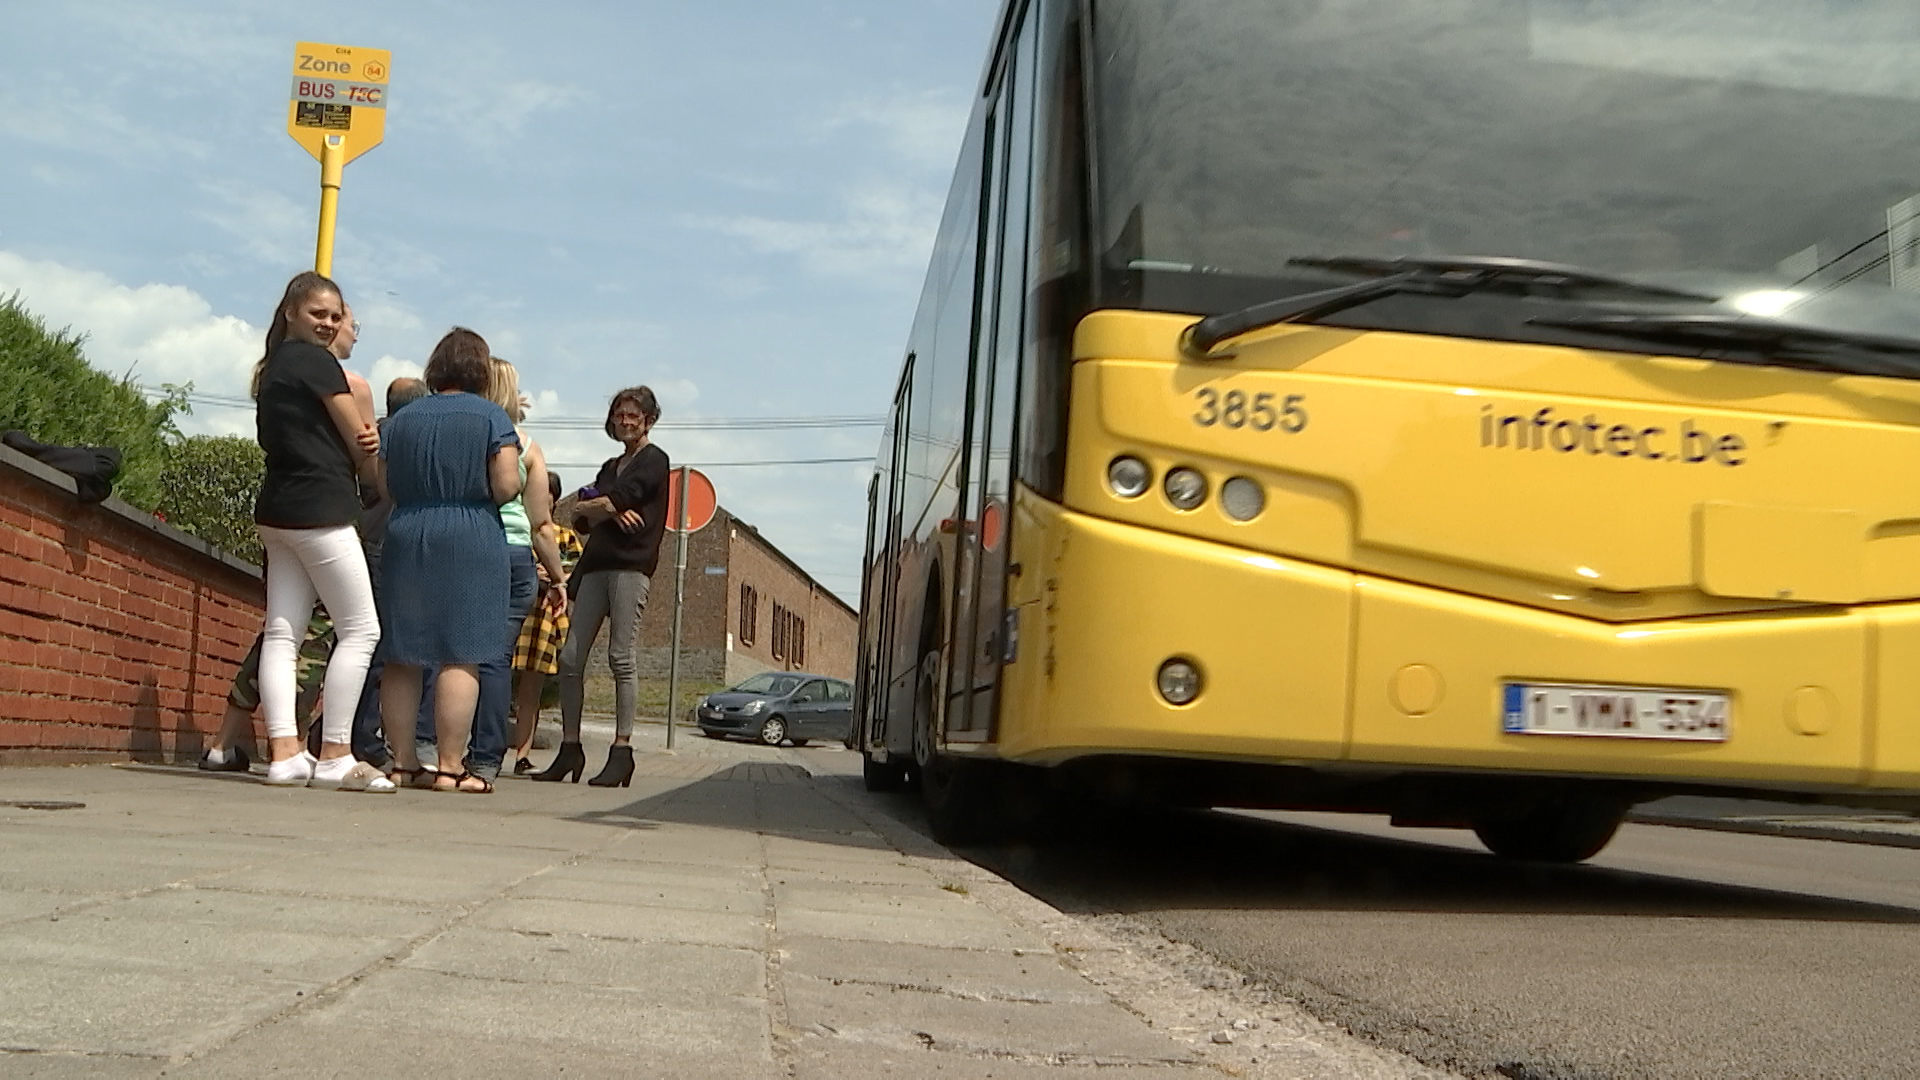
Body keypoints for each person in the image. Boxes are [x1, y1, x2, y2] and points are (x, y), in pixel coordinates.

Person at [250, 271, 390, 792]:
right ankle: (335, 753)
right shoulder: (316, 361)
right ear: (292, 311)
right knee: (361, 629)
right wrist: (371, 448)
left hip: (278, 511)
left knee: (283, 632)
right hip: (322, 509)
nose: (330, 324)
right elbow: (358, 439)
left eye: (336, 316)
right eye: (320, 314)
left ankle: (284, 751)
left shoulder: (272, 368)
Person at [377, 328, 522, 794]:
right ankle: (450, 767)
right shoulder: (492, 417)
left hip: (407, 529)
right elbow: (505, 486)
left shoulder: (400, 420)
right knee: (463, 651)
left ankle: (401, 763)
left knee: (402, 653)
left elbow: (385, 486)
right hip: (471, 533)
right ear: (479, 369)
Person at [530, 386, 669, 788]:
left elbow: (608, 504)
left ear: (648, 420)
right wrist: (600, 508)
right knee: (571, 658)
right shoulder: (611, 466)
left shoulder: (655, 460)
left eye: (633, 415)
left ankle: (622, 751)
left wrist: (603, 506)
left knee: (620, 656)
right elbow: (580, 516)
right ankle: (570, 749)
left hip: (630, 567)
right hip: (593, 569)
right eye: (620, 415)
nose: (626, 421)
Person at [467, 358, 568, 782]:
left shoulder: (460, 438)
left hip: (464, 547)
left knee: (444, 653)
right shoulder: (526, 447)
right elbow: (542, 524)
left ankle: (431, 748)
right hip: (513, 555)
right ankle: (486, 758)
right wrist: (559, 578)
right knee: (495, 658)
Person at [348, 375, 432, 769]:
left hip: (362, 541)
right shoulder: (407, 439)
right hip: (390, 547)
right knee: (382, 648)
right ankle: (363, 736)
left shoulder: (370, 436)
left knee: (359, 640)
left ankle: (343, 732)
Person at [509, 470, 583, 773]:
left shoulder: (565, 537)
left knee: (531, 689)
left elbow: (578, 574)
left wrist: (555, 576)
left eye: (547, 494)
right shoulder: (516, 532)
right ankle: (478, 750)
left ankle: (521, 756)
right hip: (514, 611)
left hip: (543, 619)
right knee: (493, 681)